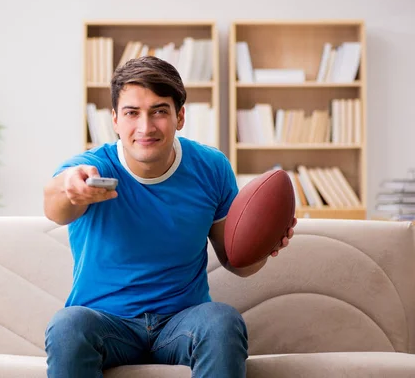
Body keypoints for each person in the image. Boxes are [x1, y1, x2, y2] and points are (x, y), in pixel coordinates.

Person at [42, 55, 296, 378]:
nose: (145, 127)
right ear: (115, 120)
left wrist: (265, 243)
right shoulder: (94, 167)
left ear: (180, 116)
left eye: (159, 111)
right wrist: (71, 189)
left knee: (222, 321)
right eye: (132, 113)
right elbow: (53, 204)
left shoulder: (211, 168)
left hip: (181, 322)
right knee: (67, 326)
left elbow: (236, 260)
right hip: (106, 323)